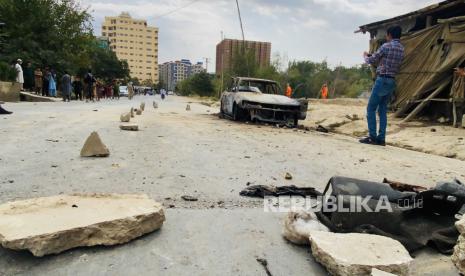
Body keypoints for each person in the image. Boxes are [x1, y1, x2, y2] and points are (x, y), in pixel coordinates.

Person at [360, 26, 404, 146]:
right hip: (391, 81)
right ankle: (381, 138)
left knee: (371, 108)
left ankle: (373, 137)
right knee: (383, 110)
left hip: (382, 79)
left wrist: (365, 56)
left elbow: (371, 60)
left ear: (389, 35)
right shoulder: (401, 49)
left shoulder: (386, 46)